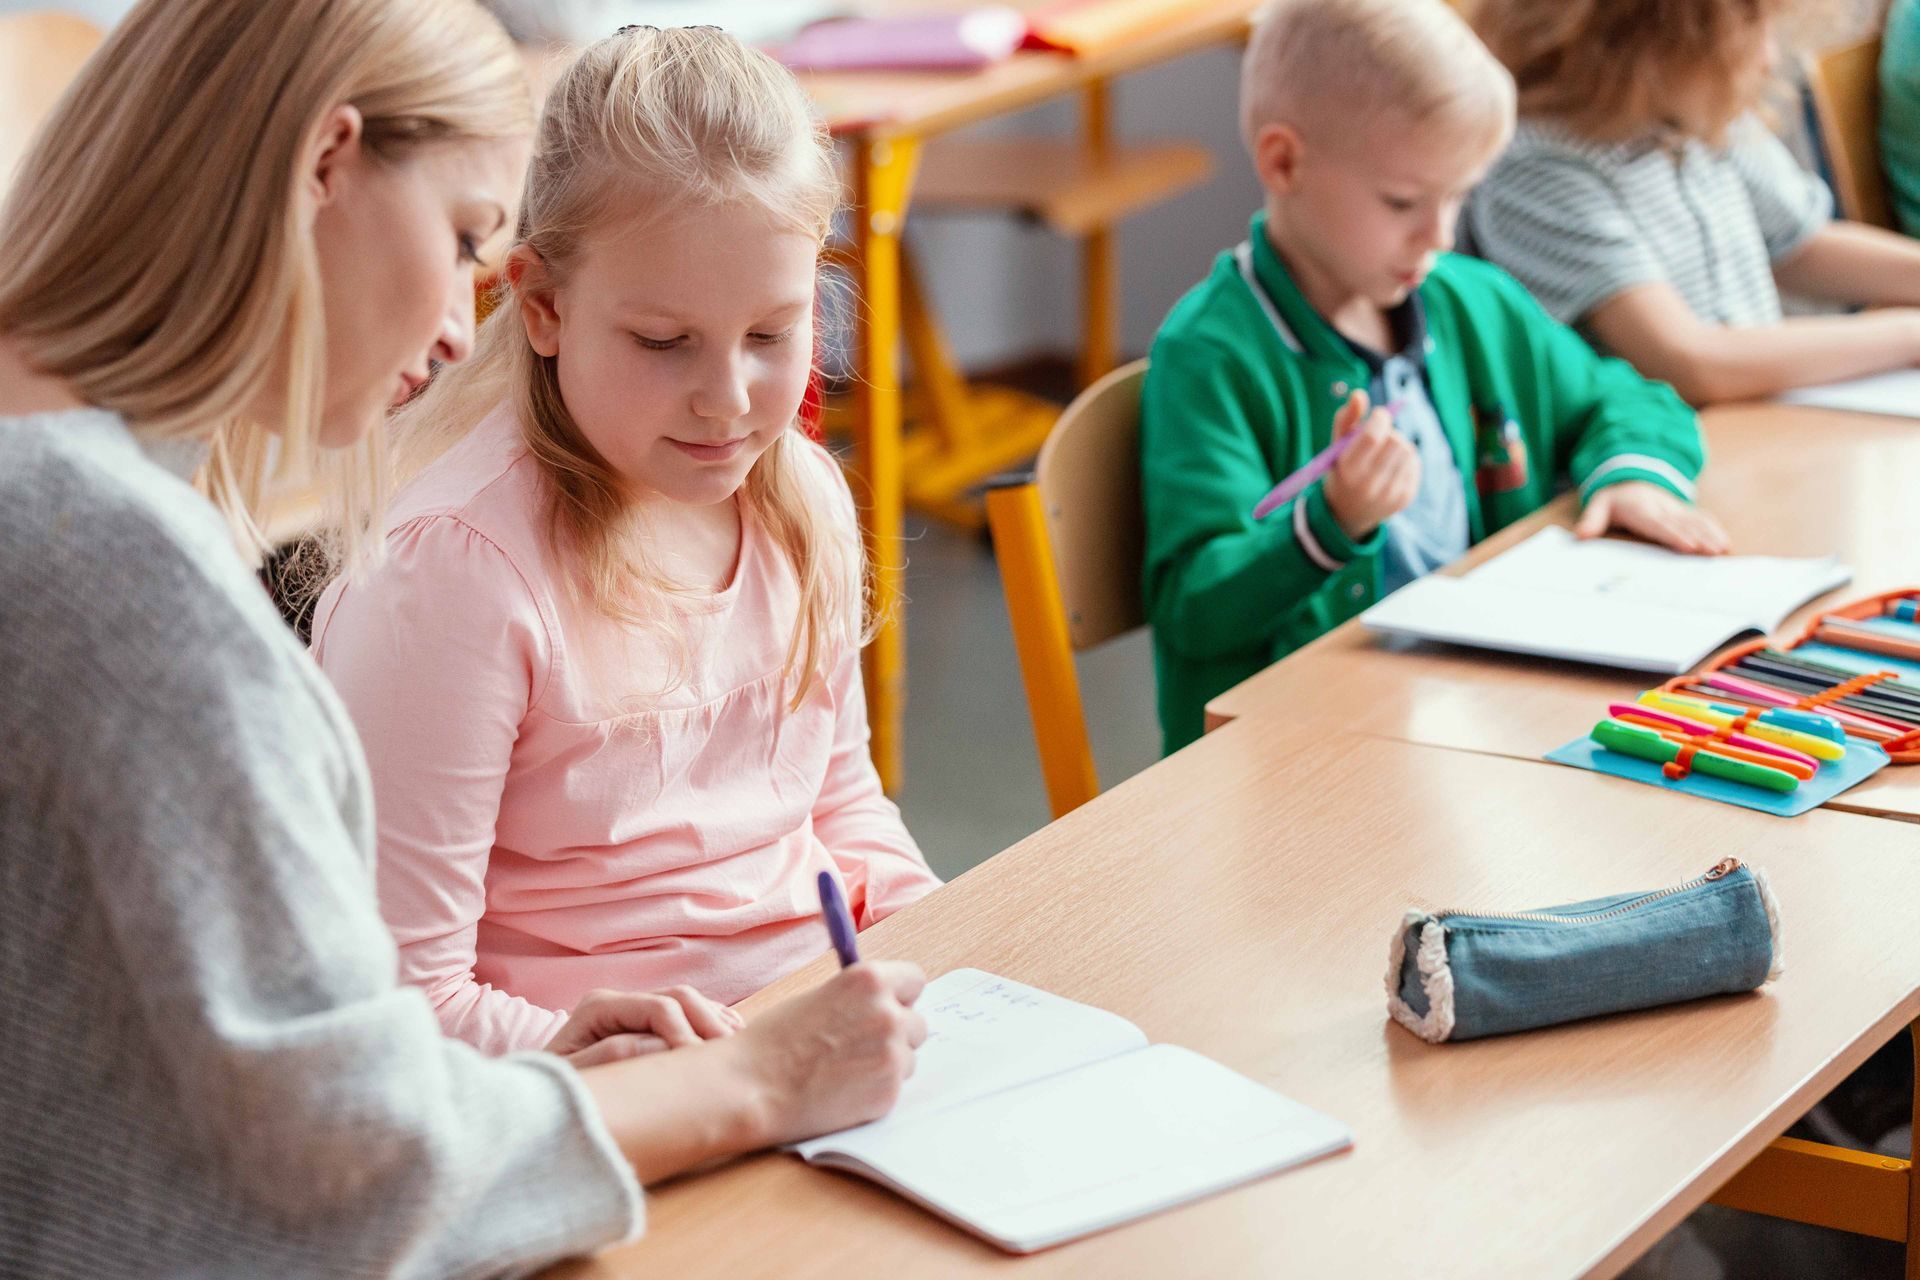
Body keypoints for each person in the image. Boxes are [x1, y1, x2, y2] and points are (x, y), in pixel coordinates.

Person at [0, 3, 924, 1274]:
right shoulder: (117, 581)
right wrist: (750, 1084)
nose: (454, 328)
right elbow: (355, 1156)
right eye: (459, 239)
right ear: (325, 165)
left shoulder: (76, 513)